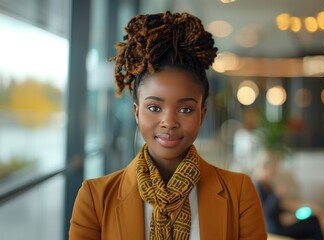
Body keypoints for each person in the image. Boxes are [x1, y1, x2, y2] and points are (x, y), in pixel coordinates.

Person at [69, 11, 267, 240]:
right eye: (154, 108)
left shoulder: (239, 192)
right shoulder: (95, 198)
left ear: (202, 115)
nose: (169, 122)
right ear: (136, 112)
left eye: (185, 109)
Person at [253, 151, 324, 240]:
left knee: (313, 219)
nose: (276, 171)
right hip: (274, 229)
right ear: (266, 167)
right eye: (274, 168)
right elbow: (265, 212)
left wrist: (292, 214)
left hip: (280, 225)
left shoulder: (266, 185)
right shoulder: (257, 186)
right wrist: (276, 195)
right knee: (314, 222)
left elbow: (276, 208)